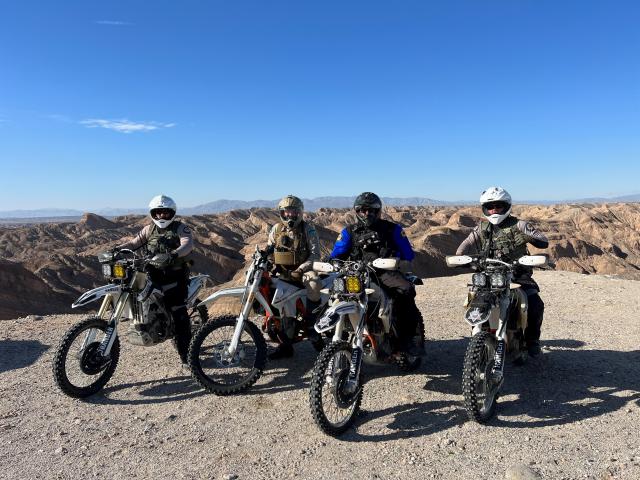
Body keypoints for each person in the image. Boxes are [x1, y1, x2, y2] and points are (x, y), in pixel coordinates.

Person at [455, 186, 549, 357]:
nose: (494, 210)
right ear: (484, 208)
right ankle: (478, 336)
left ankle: (532, 340)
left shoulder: (519, 225)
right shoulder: (481, 228)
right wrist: (466, 261)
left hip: (518, 274)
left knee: (535, 303)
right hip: (489, 274)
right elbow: (462, 249)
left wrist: (529, 237)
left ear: (506, 206)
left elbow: (543, 241)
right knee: (472, 301)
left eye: (498, 206)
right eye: (490, 207)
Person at [330, 192, 424, 356]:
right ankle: (325, 335)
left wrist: (395, 259)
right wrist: (331, 262)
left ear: (378, 211)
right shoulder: (349, 232)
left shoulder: (392, 229)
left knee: (406, 289)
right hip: (355, 274)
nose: (367, 214)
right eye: (363, 210)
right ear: (356, 211)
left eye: (372, 210)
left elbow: (408, 253)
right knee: (332, 294)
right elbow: (336, 254)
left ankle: (410, 338)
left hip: (384, 272)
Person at [117, 194, 194, 363]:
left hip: (175, 275)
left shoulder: (180, 228)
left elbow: (187, 244)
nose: (161, 216)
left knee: (179, 312)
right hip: (152, 273)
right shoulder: (149, 229)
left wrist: (174, 254)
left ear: (171, 212)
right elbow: (133, 243)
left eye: (165, 213)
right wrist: (117, 250)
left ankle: (188, 355)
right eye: (158, 213)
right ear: (153, 213)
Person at [264, 195, 322, 359]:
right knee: (282, 304)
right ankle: (285, 345)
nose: (290, 216)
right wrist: (265, 260)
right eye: (286, 212)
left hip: (303, 271)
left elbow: (315, 254)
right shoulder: (276, 229)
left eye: (293, 212)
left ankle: (312, 325)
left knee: (314, 283)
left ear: (299, 213)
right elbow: (269, 249)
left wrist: (302, 269)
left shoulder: (308, 229)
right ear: (282, 213)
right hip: (283, 273)